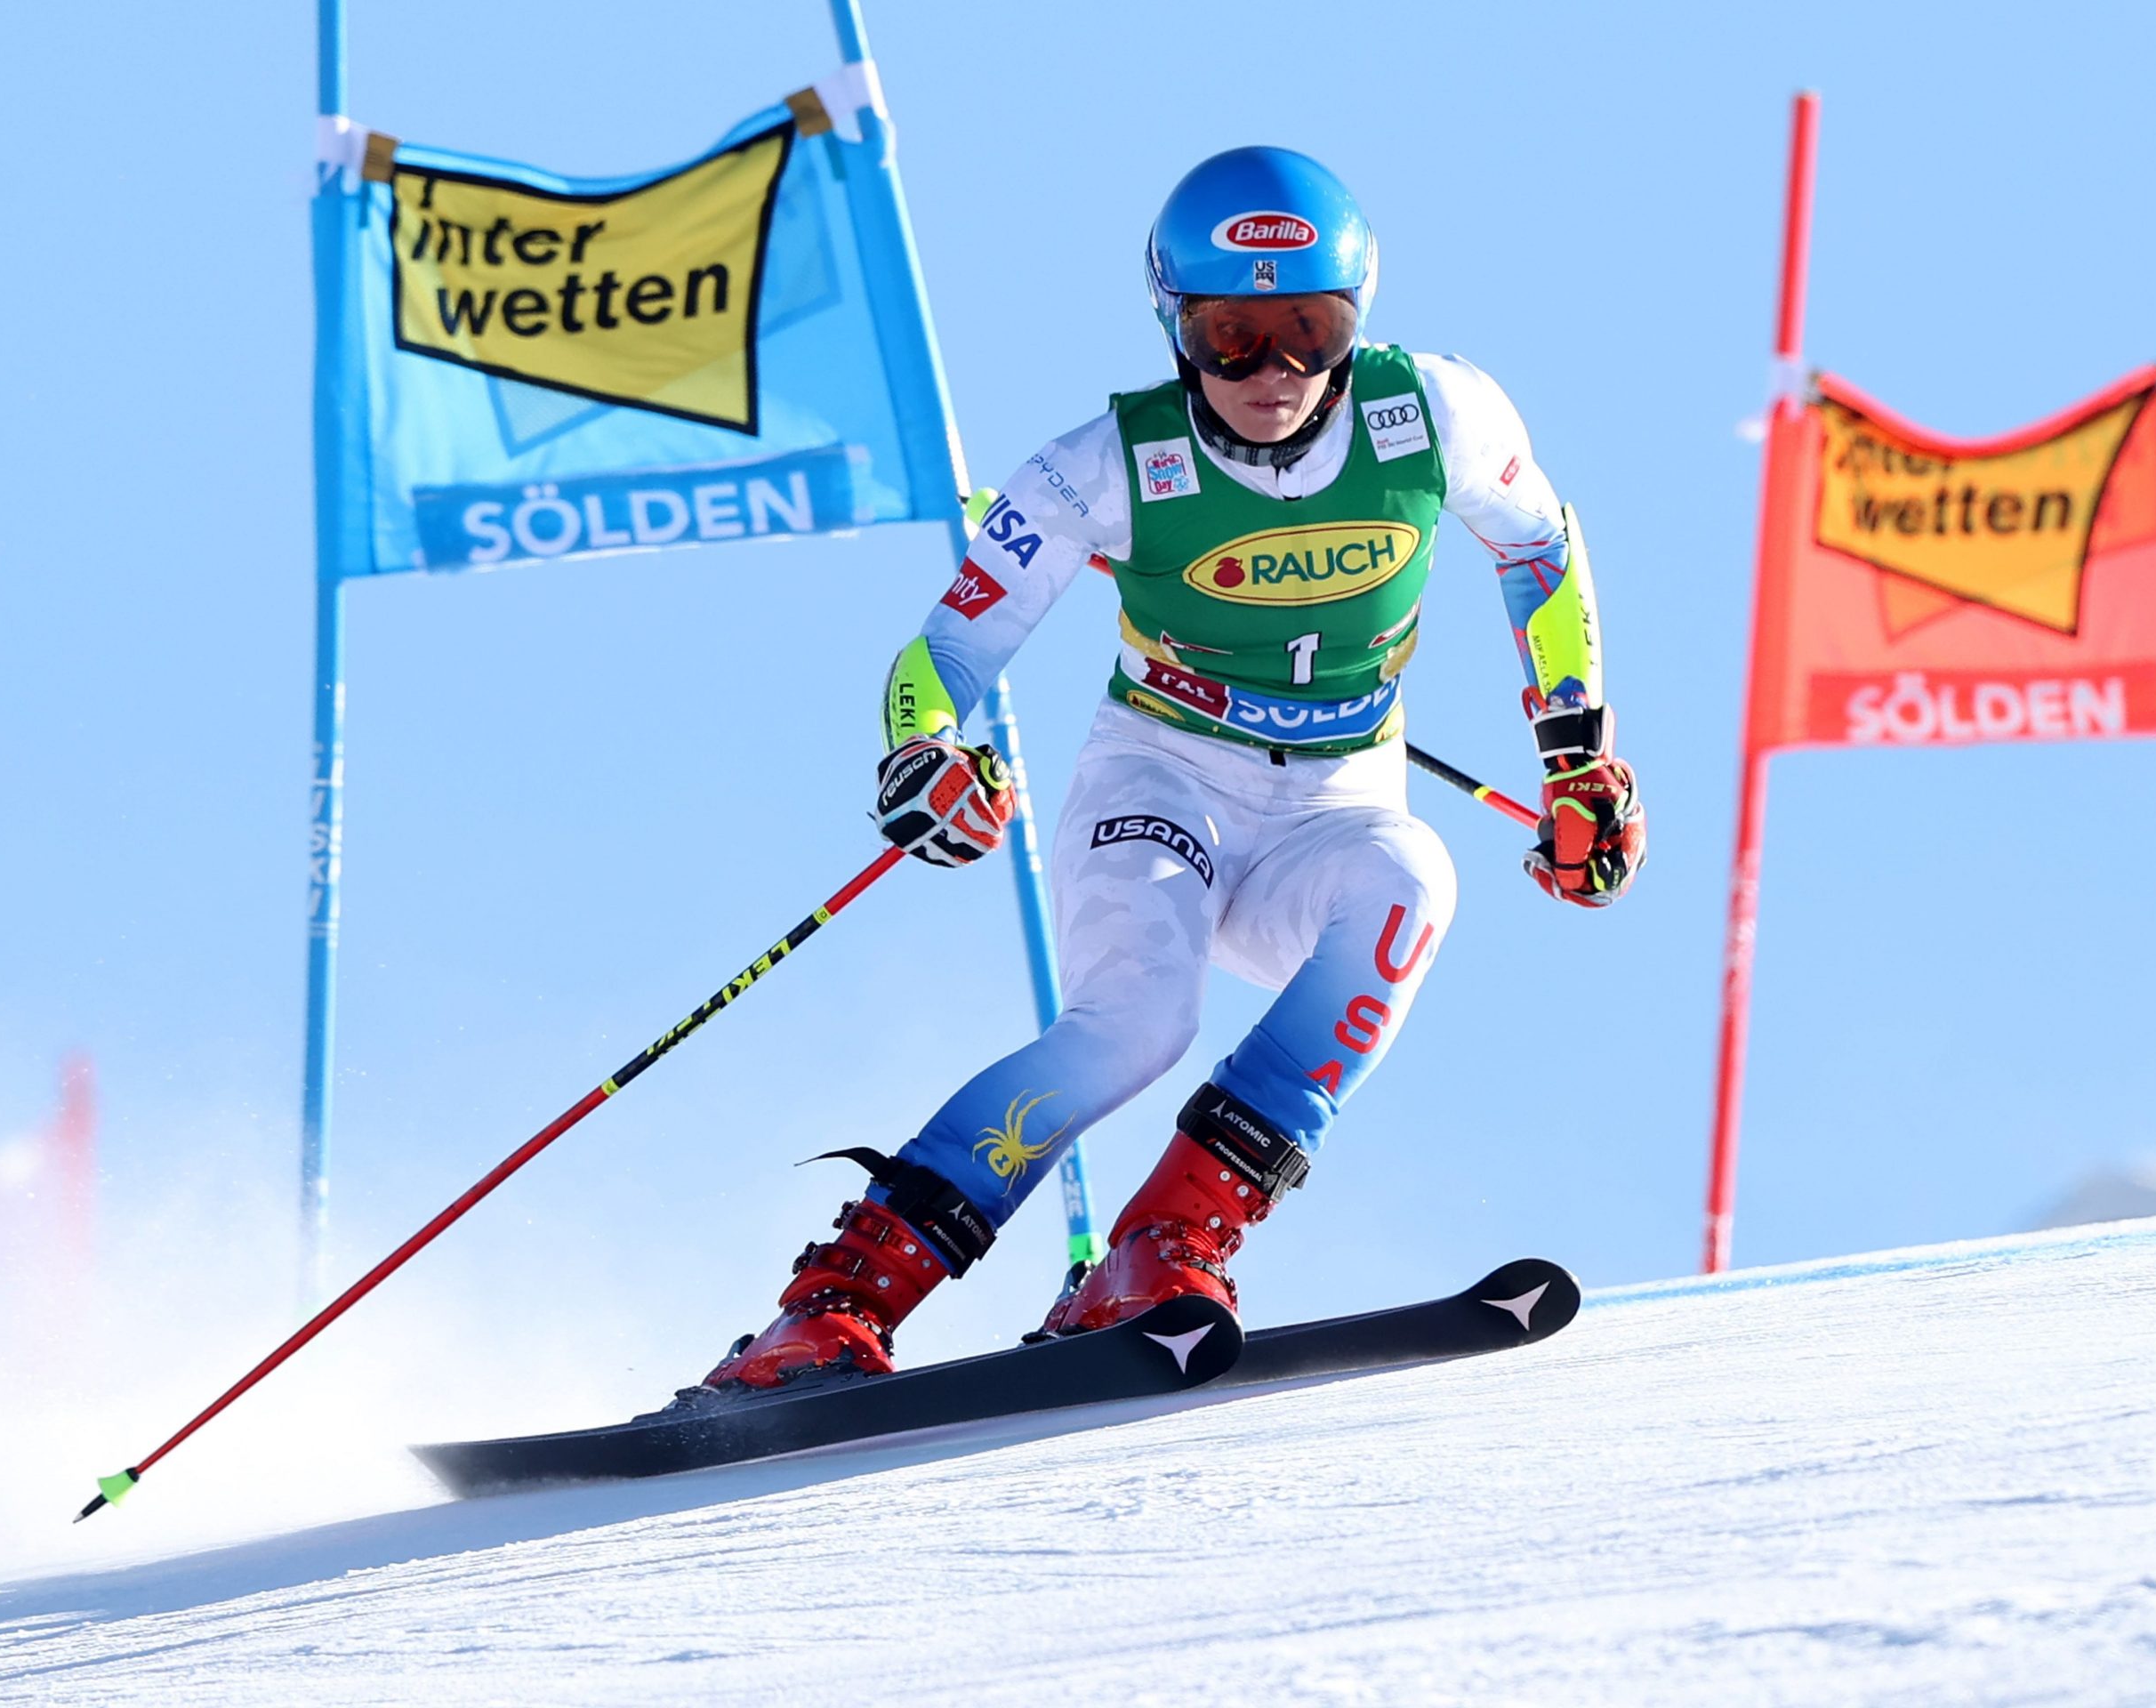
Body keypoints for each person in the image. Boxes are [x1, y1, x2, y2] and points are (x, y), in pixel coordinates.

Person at [703, 146, 1644, 1390]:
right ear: (1175, 324)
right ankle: (831, 1305)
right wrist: (926, 751)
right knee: (1140, 1020)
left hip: (1338, 799)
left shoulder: (1439, 415)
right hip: (1163, 780)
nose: (1271, 371)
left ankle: (1163, 1244)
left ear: (1356, 320)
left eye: (1309, 330)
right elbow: (952, 644)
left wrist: (1576, 756)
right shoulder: (1100, 467)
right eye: (1230, 333)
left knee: (1414, 883)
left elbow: (1540, 546)